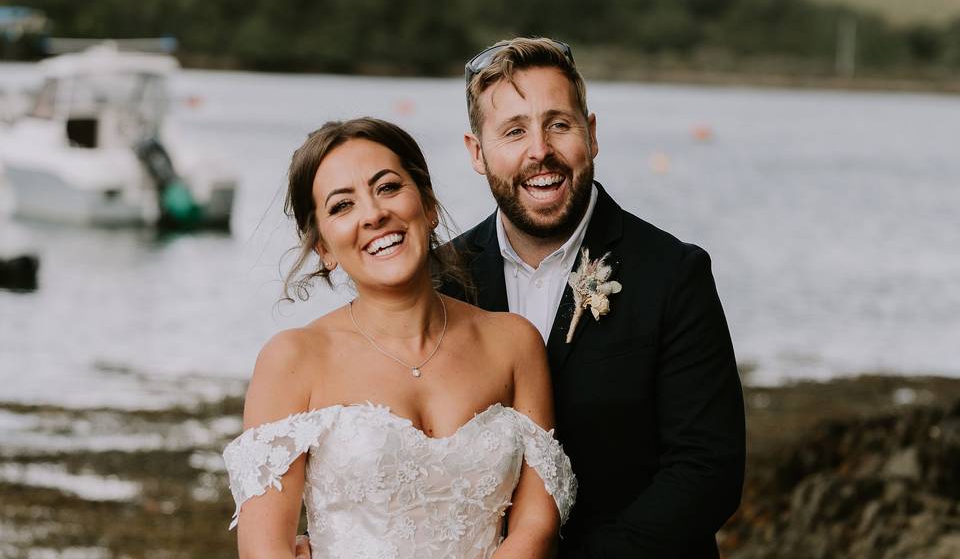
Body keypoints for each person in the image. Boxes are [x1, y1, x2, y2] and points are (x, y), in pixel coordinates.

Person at [444, 37, 746, 558]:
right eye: (514, 131)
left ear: (593, 133)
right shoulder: (442, 280)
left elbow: (707, 469)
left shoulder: (674, 274)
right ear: (477, 152)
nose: (540, 150)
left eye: (559, 124)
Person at [222, 117, 576, 558]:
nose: (373, 214)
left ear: (427, 206)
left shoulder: (514, 344)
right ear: (324, 249)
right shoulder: (293, 359)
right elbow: (264, 550)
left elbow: (536, 524)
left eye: (388, 187)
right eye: (341, 206)